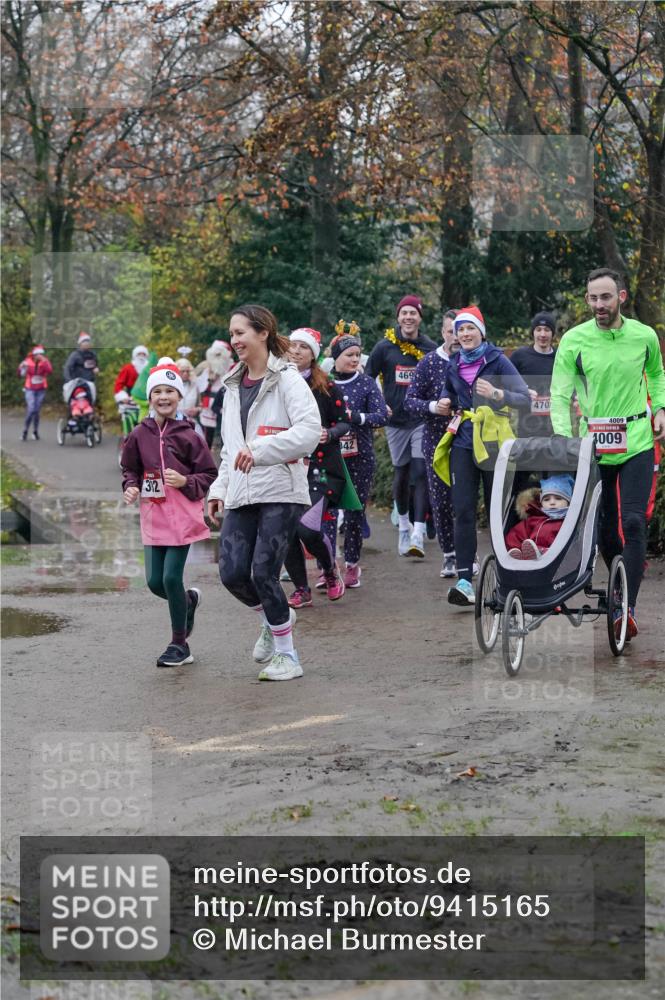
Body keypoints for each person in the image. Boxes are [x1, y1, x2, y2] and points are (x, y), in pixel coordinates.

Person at [207, 306, 321, 682]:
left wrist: (259, 451)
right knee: (232, 573)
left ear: (262, 333)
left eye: (241, 333)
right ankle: (275, 620)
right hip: (242, 489)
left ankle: (289, 656)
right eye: (232, 333)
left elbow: (308, 431)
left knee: (264, 571)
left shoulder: (287, 379)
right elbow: (230, 448)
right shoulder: (233, 385)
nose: (235, 340)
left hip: (281, 488)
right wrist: (218, 489)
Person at [550, 267, 665, 639]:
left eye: (605, 297)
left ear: (621, 297)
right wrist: (564, 437)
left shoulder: (644, 336)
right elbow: (559, 392)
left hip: (636, 439)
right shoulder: (574, 340)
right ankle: (618, 580)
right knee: (603, 528)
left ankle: (626, 606)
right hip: (593, 441)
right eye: (592, 298)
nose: (598, 305)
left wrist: (661, 408)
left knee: (632, 522)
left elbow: (657, 372)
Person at [121, 358, 217, 667]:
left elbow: (209, 474)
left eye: (170, 391)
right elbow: (129, 468)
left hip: (183, 517)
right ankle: (187, 602)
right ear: (149, 398)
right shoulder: (139, 434)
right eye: (157, 392)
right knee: (154, 582)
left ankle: (180, 645)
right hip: (153, 516)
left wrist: (186, 480)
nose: (164, 397)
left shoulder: (191, 436)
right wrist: (131, 486)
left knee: (172, 577)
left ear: (179, 397)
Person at [437, 306, 531, 606]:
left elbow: (524, 400)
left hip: (494, 443)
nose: (464, 334)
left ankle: (507, 574)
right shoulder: (453, 364)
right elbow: (448, 393)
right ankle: (465, 580)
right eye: (460, 329)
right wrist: (444, 401)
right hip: (464, 441)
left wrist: (497, 395)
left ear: (481, 332)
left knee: (497, 511)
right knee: (462, 509)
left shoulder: (498, 361)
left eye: (470, 329)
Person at [283, 327, 352, 607]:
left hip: (321, 469)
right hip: (285, 466)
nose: (296, 351)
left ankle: (330, 571)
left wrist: (330, 434)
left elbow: (345, 422)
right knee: (285, 530)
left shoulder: (326, 386)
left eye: (304, 347)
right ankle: (302, 588)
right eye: (293, 345)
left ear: (313, 354)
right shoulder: (277, 382)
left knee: (307, 530)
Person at [364, 294, 437, 557]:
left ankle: (418, 532)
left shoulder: (429, 348)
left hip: (421, 419)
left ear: (420, 317)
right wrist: (377, 406)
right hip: (394, 421)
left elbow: (439, 378)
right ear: (398, 317)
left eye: (413, 313)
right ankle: (404, 526)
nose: (408, 317)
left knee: (420, 472)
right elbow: (368, 378)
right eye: (404, 313)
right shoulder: (384, 347)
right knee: (402, 475)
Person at [330, 328, 388, 587]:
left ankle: (352, 564)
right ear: (336, 357)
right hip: (328, 456)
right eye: (348, 354)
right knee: (327, 514)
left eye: (357, 355)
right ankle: (327, 566)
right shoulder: (323, 382)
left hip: (360, 457)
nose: (354, 359)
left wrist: (357, 418)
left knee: (354, 514)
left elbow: (382, 416)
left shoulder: (366, 383)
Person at [405, 309, 458, 577]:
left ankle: (467, 555)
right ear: (443, 332)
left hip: (469, 440)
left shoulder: (477, 362)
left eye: (461, 331)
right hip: (436, 442)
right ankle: (449, 555)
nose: (456, 337)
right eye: (451, 331)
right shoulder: (429, 362)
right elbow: (410, 401)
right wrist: (433, 406)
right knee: (441, 501)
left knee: (465, 502)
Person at [509, 312, 557, 439]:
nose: (542, 334)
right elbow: (505, 383)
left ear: (553, 333)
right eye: (538, 329)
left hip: (555, 427)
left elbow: (573, 383)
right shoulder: (519, 356)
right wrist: (522, 391)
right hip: (527, 426)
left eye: (547, 330)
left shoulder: (561, 357)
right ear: (533, 332)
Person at [505, 474, 574, 559]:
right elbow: (517, 534)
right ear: (541, 503)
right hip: (530, 554)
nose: (552, 502)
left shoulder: (569, 521)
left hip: (556, 557)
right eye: (546, 499)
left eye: (558, 498)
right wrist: (515, 547)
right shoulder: (536, 518)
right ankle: (521, 555)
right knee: (522, 540)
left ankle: (539, 553)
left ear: (568, 502)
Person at [195, 339, 234, 447]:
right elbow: (199, 386)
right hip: (208, 407)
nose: (217, 356)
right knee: (206, 440)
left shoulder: (233, 367)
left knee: (226, 440)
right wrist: (209, 378)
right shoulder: (206, 368)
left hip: (225, 405)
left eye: (219, 354)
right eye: (215, 354)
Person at [18, 344, 53, 440]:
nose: (40, 356)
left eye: (42, 354)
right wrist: (21, 367)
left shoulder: (44, 362)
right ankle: (25, 431)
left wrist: (44, 361)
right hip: (30, 389)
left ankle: (35, 431)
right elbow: (20, 374)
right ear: (34, 355)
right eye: (38, 354)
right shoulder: (28, 362)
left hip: (41, 389)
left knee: (36, 411)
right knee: (31, 409)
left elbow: (50, 371)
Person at [63, 331, 99, 399]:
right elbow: (67, 368)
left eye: (88, 341)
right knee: (76, 404)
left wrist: (96, 369)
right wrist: (69, 381)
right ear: (80, 343)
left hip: (89, 383)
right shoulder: (75, 355)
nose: (86, 343)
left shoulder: (93, 354)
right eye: (84, 341)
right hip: (77, 384)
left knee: (90, 402)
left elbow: (95, 365)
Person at [175, 357, 204, 435]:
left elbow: (201, 406)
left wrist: (196, 410)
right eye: (182, 371)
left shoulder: (195, 386)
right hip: (174, 423)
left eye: (187, 371)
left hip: (191, 423)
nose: (185, 373)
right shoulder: (172, 387)